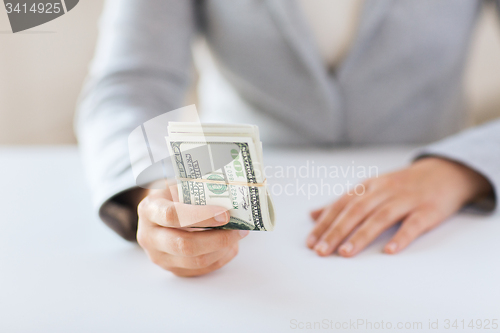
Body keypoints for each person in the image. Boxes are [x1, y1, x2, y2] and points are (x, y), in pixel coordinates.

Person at [76, 0, 498, 277]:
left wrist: (464, 169)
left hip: (445, 222)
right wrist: (153, 191)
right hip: (244, 238)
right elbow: (129, 83)